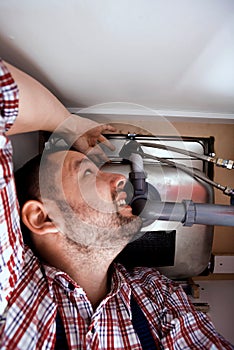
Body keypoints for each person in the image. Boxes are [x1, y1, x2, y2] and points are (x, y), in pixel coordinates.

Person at [0, 59, 233, 349]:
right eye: (87, 173)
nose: (119, 180)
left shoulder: (159, 296)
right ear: (41, 217)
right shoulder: (14, 290)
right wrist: (66, 125)